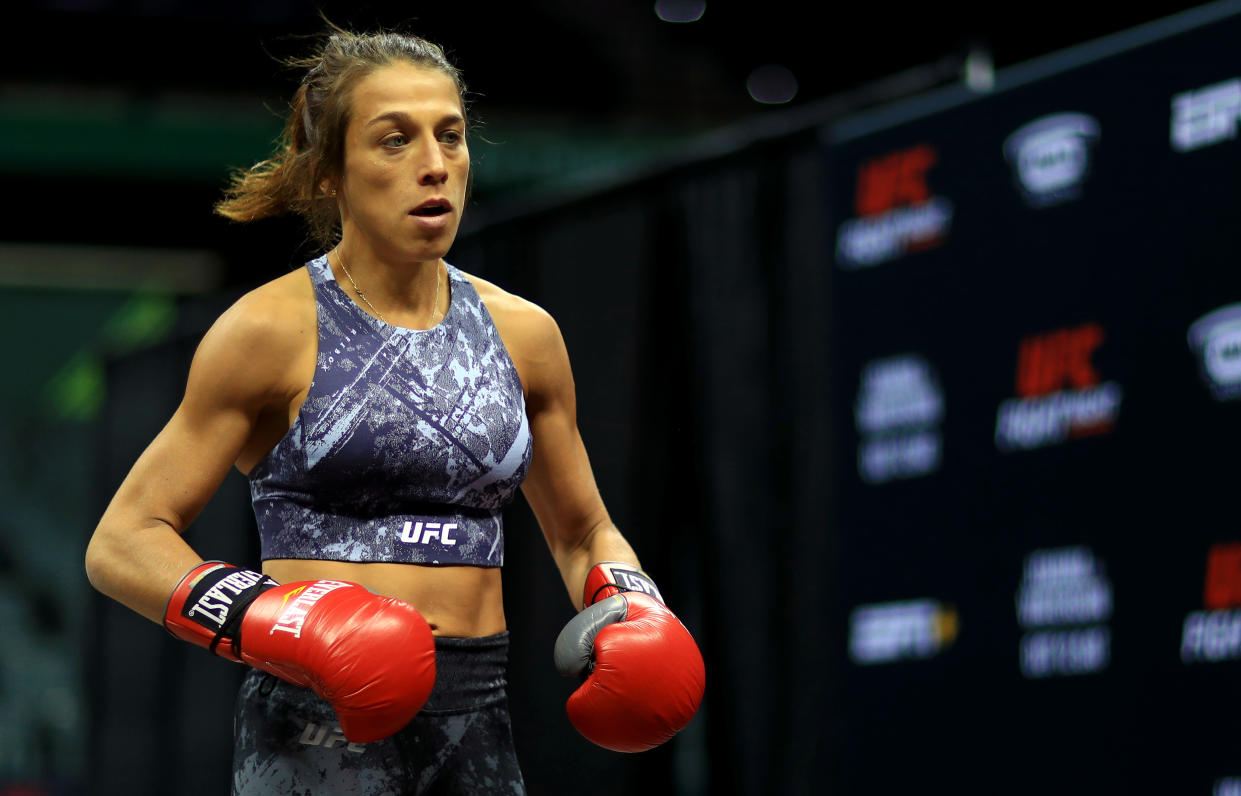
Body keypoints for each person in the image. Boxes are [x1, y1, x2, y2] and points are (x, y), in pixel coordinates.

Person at [83, 26, 704, 795]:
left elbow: (582, 530)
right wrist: (274, 619)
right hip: (312, 723)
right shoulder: (269, 331)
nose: (434, 165)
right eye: (394, 140)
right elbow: (122, 542)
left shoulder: (525, 335)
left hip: (477, 720)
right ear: (328, 175)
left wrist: (634, 605)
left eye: (450, 135)